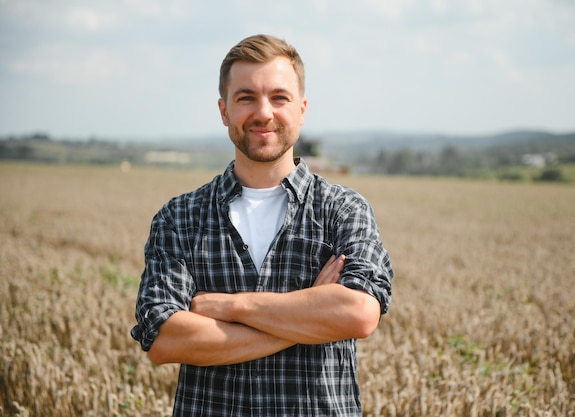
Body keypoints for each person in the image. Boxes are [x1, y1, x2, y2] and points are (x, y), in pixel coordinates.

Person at [131, 34, 393, 416]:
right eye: (246, 97)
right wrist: (306, 321)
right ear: (224, 111)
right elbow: (164, 339)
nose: (264, 112)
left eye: (279, 97)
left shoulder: (343, 210)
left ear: (301, 110)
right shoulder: (179, 218)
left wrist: (229, 306)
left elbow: (358, 314)